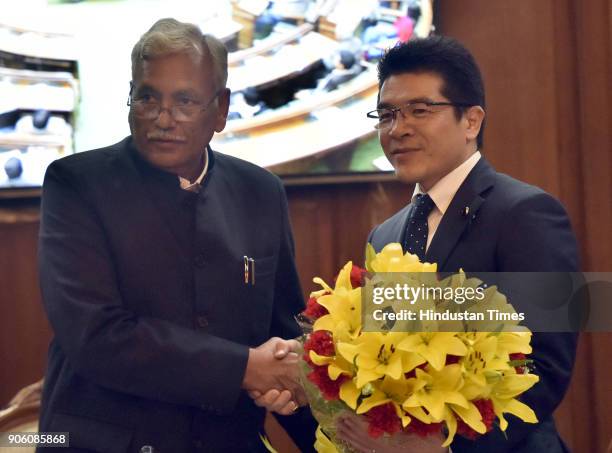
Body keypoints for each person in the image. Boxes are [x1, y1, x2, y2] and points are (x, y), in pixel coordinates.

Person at [37, 18, 316, 452]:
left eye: (185, 101)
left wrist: (327, 427)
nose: (162, 119)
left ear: (221, 110)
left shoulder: (261, 192)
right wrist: (247, 368)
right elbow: (96, 335)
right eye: (147, 97)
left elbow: (282, 331)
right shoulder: (76, 184)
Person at [336, 35, 579, 452]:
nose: (399, 128)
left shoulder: (528, 213)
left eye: (420, 110)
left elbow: (546, 368)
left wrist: (443, 446)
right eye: (387, 114)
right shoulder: (385, 235)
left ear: (472, 121)